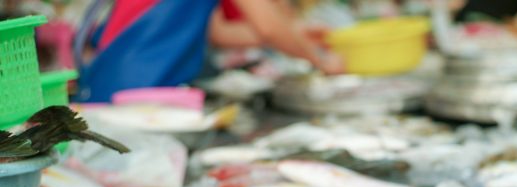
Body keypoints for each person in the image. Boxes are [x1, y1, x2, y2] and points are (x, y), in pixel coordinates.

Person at [76, 0, 343, 102]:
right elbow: (269, 28)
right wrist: (319, 59)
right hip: (134, 89)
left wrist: (298, 37)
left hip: (130, 87)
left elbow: (219, 32)